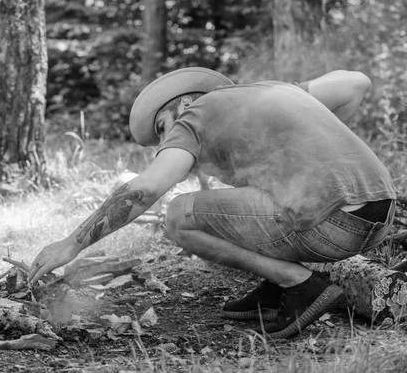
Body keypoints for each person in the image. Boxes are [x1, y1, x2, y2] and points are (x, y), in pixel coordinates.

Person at [28, 67, 396, 339]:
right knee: (229, 201)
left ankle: (299, 283)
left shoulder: (194, 117)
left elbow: (145, 190)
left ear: (185, 103)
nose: (164, 142)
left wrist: (71, 245)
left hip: (331, 226)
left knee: (179, 216)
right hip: (381, 217)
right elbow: (355, 82)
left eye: (161, 128)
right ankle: (277, 286)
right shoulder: (271, 91)